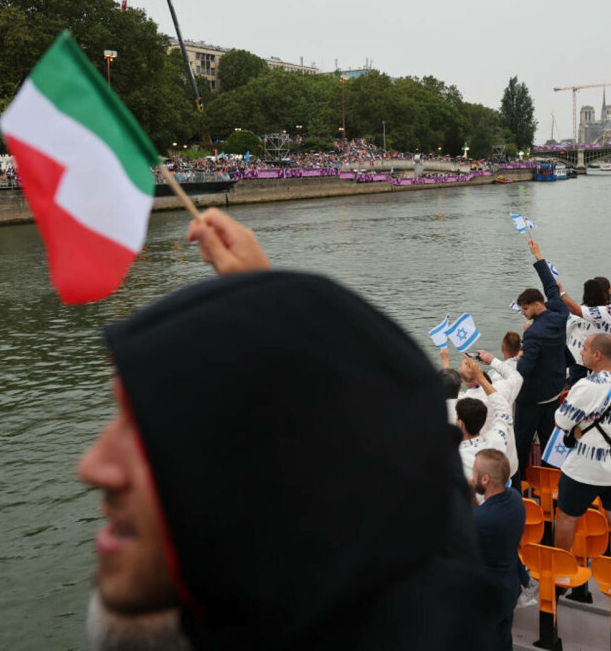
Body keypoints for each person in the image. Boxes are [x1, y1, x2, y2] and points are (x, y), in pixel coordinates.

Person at [77, 208, 500, 650]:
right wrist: (274, 300)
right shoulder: (437, 613)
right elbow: (435, 479)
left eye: (147, 428)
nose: (91, 465)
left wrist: (270, 301)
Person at [553, 333, 611, 558]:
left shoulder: (586, 385)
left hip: (586, 466)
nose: (581, 352)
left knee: (566, 517)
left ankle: (561, 571)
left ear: (597, 354)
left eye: (584, 348)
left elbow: (561, 420)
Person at [515, 239, 569, 475]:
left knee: (520, 442)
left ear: (537, 306)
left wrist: (518, 356)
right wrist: (538, 256)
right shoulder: (559, 311)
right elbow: (550, 287)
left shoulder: (534, 333)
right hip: (554, 389)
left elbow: (524, 368)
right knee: (549, 440)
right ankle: (550, 481)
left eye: (525, 309)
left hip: (533, 397)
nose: (524, 314)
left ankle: (518, 481)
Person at [471, 449, 525, 651]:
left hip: (487, 597)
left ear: (485, 479)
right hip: (509, 586)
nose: (471, 476)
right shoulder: (515, 499)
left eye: (475, 472)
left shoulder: (482, 520)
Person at [457, 351, 522, 478]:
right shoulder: (502, 389)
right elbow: (516, 377)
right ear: (480, 373)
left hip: (484, 471)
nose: (468, 363)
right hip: (509, 466)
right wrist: (492, 360)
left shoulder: (461, 405)